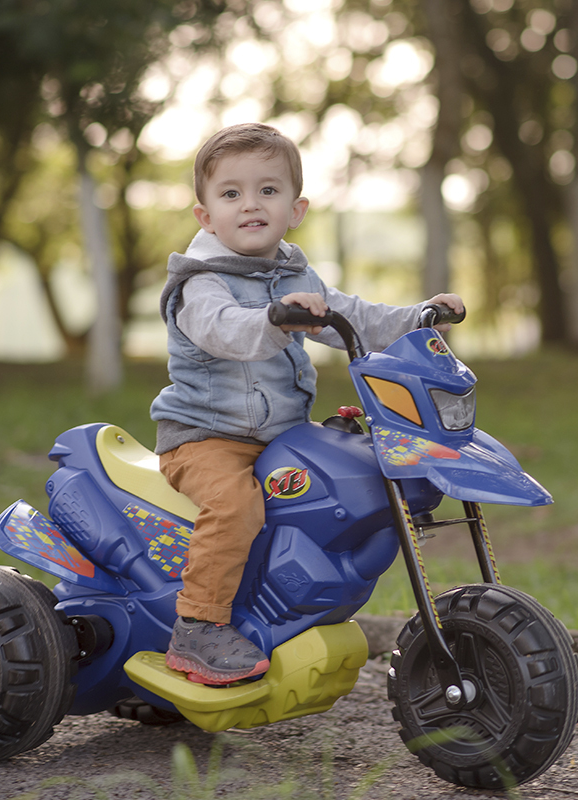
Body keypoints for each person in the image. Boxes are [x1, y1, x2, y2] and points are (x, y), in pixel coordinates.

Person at [150, 122, 464, 686]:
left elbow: (351, 317)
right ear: (205, 215)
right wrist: (275, 319)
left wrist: (417, 318)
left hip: (279, 435)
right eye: (231, 194)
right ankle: (197, 628)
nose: (250, 205)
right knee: (235, 506)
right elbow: (224, 331)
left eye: (267, 191)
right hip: (204, 438)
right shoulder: (198, 284)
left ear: (296, 209)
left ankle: (293, 604)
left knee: (348, 479)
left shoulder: (293, 272)